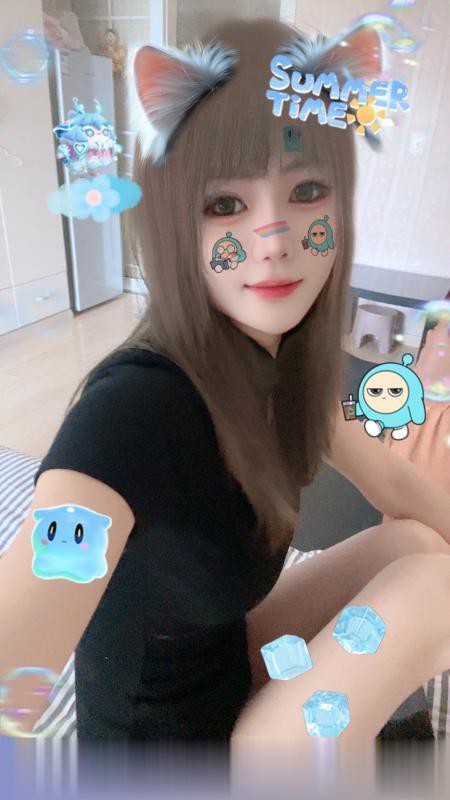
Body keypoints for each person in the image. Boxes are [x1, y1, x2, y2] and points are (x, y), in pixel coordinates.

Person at [0, 16, 449, 787]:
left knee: (414, 547)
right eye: (226, 204)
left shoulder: (282, 368)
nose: (274, 237)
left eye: (305, 192)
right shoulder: (134, 411)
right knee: (435, 591)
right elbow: (21, 635)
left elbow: (399, 489)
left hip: (225, 672)